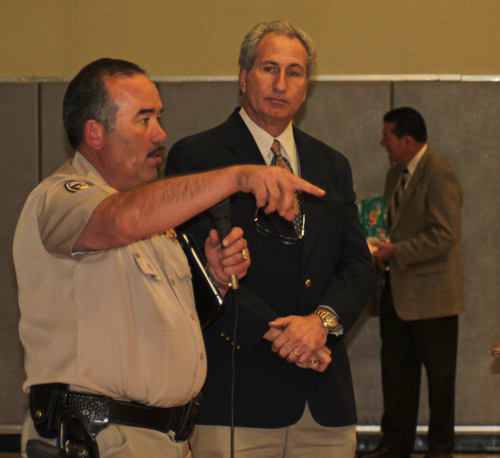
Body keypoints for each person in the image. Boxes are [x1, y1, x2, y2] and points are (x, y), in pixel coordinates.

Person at [13, 58, 325, 458]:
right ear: (95, 133)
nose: (160, 134)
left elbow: (161, 319)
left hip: (166, 437)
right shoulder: (60, 197)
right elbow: (118, 221)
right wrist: (236, 177)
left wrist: (214, 277)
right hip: (97, 436)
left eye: (159, 118)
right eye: (144, 120)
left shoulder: (156, 224)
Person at [165, 20, 374, 458]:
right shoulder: (198, 157)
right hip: (237, 397)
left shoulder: (331, 164)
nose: (281, 84)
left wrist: (320, 324)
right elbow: (196, 269)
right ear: (244, 78)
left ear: (306, 88)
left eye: (294, 73)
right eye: (269, 69)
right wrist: (287, 337)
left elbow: (357, 266)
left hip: (324, 400)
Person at [360, 107, 464, 458]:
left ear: (406, 140)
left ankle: (440, 449)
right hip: (395, 293)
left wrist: (396, 251)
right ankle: (395, 445)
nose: (382, 143)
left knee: (440, 382)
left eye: (387, 136)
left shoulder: (440, 173)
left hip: (435, 299)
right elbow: (391, 228)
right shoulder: (395, 175)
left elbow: (445, 235)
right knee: (396, 376)